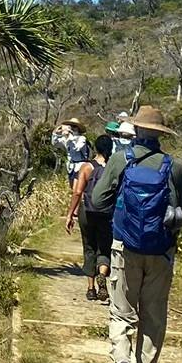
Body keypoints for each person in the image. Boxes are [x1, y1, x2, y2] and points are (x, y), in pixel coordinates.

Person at [84, 105, 182, 363]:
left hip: (125, 248)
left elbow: (98, 198)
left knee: (121, 313)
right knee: (153, 319)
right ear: (160, 134)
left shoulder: (121, 160)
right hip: (161, 251)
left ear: (136, 130)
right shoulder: (175, 166)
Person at [63, 129, 116, 301]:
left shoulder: (86, 167)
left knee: (89, 247)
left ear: (95, 148)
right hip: (107, 213)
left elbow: (77, 192)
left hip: (88, 211)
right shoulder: (113, 169)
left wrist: (70, 214)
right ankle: (102, 273)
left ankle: (91, 288)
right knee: (104, 247)